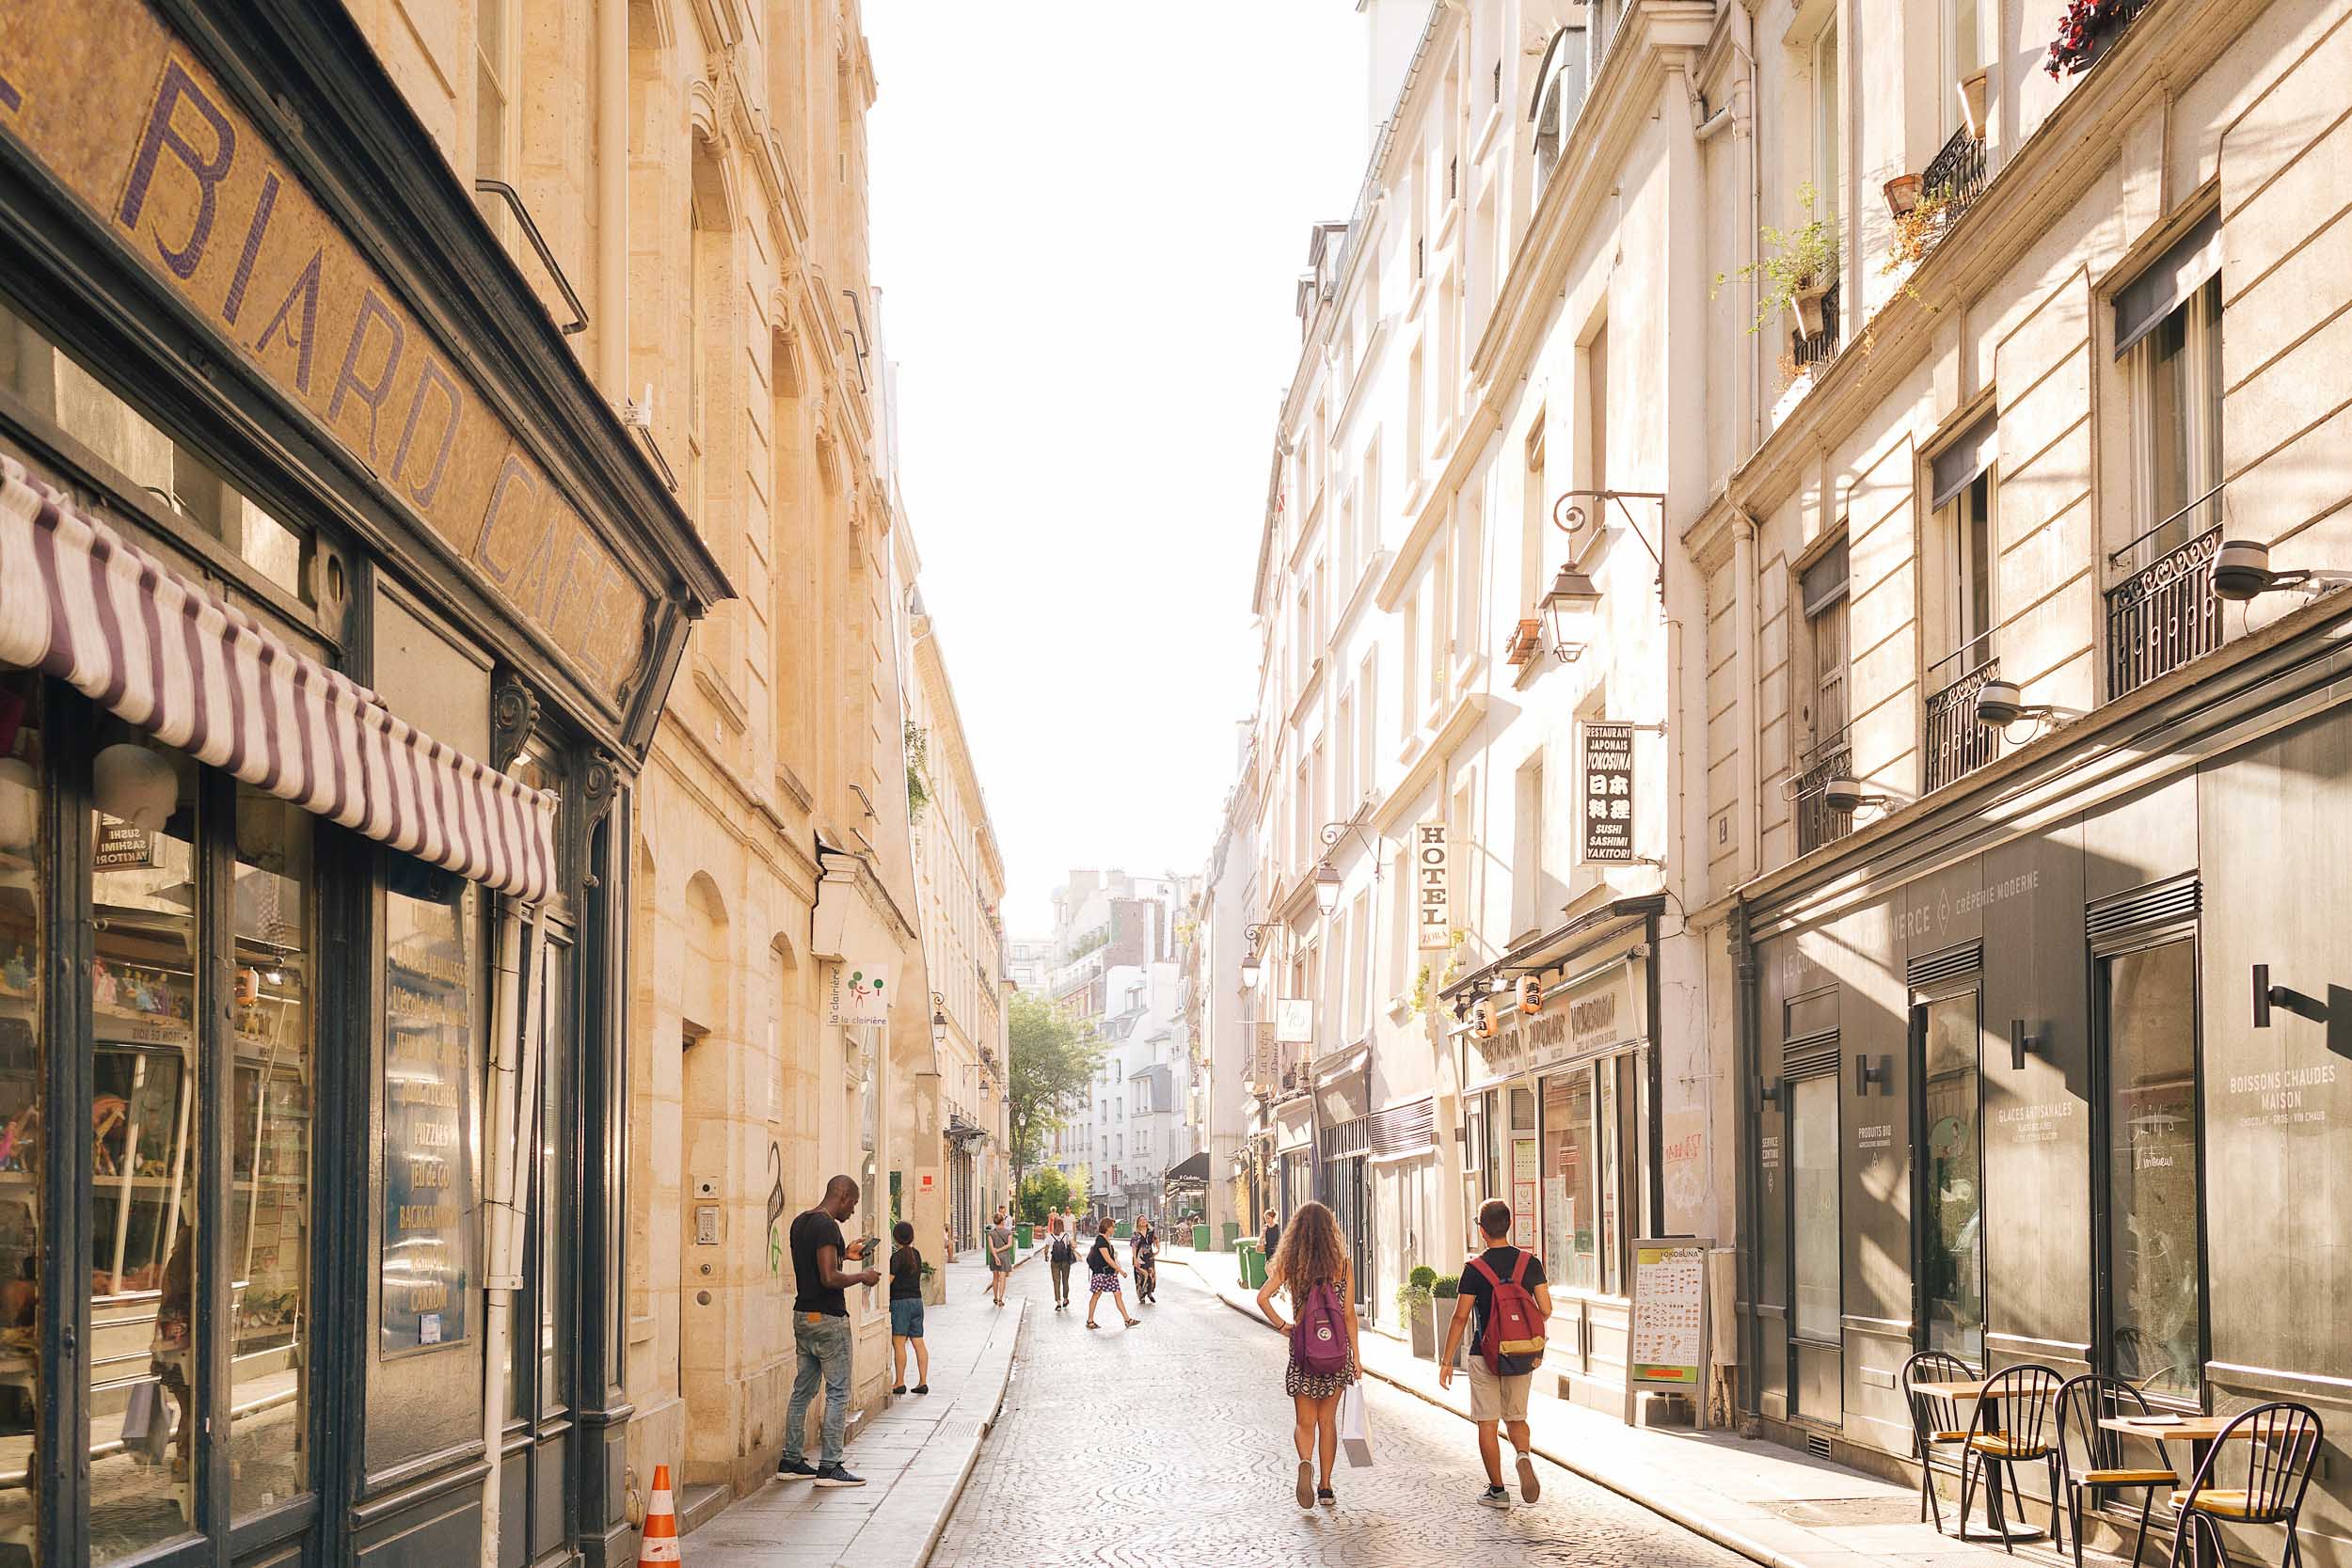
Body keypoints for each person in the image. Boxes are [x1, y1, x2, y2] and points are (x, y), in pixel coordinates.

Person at [1439, 1197, 1553, 1508]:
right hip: (1521, 1354)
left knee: (1487, 1424)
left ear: (1481, 1230)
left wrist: (1447, 1360)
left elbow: (1461, 1316)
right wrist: (1520, 1329)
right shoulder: (1529, 1263)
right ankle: (1523, 1455)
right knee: (1516, 1418)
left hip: (1484, 1354)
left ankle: (1498, 1490)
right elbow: (1546, 1308)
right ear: (1509, 1225)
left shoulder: (1475, 1269)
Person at [778, 1174, 882, 1486]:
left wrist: (843, 1256)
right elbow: (828, 1278)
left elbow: (818, 1266)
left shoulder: (800, 1222)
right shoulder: (827, 1226)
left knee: (803, 1391)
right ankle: (830, 1466)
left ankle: (791, 1460)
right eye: (852, 1203)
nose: (852, 1211)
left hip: (803, 1316)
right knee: (837, 1392)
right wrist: (862, 1275)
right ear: (842, 1195)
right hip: (828, 1320)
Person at [1255, 1199, 1359, 1510]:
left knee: (1305, 1421)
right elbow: (1349, 1313)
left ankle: (1305, 1462)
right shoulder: (1342, 1264)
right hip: (1336, 1351)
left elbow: (1262, 1298)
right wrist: (1357, 1357)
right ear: (1330, 1232)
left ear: (1296, 1232)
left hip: (1304, 1350)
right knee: (1327, 1421)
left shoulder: (1293, 1264)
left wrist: (1284, 1325)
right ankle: (1325, 1486)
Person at [887, 1220, 930, 1396]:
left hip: (901, 1303)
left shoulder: (896, 1257)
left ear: (895, 1237)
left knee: (899, 1344)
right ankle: (923, 1382)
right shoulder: (916, 1254)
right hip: (917, 1302)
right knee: (919, 1343)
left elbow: (889, 1281)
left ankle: (900, 1382)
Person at [1083, 1225, 1138, 1329]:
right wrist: (1120, 1271)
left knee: (1118, 1294)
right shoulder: (1101, 1241)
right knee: (1096, 1295)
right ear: (1107, 1227)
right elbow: (1108, 1259)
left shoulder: (1106, 1240)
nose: (1114, 1229)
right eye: (1113, 1226)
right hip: (1101, 1273)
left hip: (1110, 1273)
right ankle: (1090, 1320)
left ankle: (1127, 1319)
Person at [984, 1209, 1014, 1307]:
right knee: (1002, 1278)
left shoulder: (991, 1233)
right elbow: (1009, 1245)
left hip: (994, 1257)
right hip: (1005, 1257)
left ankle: (995, 1298)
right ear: (1003, 1221)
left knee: (995, 1278)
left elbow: (991, 1248)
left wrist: (996, 1255)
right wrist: (1000, 1250)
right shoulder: (1008, 1232)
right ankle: (1001, 1298)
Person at [1047, 1212, 1076, 1311]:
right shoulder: (1067, 1235)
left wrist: (1046, 1257)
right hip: (1065, 1261)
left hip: (1054, 1261)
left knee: (1056, 1281)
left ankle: (1058, 1302)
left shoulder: (1050, 1236)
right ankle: (1065, 1299)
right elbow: (1074, 1245)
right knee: (1065, 1280)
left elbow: (1046, 1249)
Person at [1131, 1216, 1159, 1305]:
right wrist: (1135, 1259)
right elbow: (1134, 1247)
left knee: (1151, 1276)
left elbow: (1156, 1240)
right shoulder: (1135, 1234)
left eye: (1144, 1220)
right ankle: (1141, 1296)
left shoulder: (1151, 1232)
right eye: (1141, 1220)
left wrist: (1158, 1249)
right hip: (1139, 1258)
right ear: (1138, 1223)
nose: (1143, 1221)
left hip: (1149, 1257)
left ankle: (1150, 1294)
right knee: (1140, 1277)